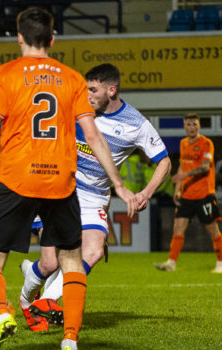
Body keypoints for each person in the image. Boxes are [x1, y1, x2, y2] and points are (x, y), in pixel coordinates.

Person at [0, 9, 136, 350]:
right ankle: (70, 345)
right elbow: (92, 134)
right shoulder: (72, 78)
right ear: (53, 39)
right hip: (61, 181)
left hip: (17, 178)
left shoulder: (5, 74)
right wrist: (118, 184)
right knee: (72, 262)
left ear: (19, 37)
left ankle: (2, 314)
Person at [22, 63, 171, 332]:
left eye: (93, 89)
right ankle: (26, 298)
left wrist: (145, 193)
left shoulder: (136, 124)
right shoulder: (77, 107)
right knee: (51, 263)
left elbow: (164, 162)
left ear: (111, 90)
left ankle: (44, 301)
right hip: (59, 188)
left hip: (94, 197)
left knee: (92, 251)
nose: (87, 94)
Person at [154, 113, 222, 273]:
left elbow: (205, 167)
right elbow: (182, 166)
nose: (192, 127)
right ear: (184, 126)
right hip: (187, 195)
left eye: (194, 124)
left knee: (212, 229)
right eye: (189, 124)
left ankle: (220, 263)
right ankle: (171, 263)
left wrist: (183, 176)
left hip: (205, 193)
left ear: (199, 126)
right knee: (178, 226)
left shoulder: (206, 143)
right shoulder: (183, 143)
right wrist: (178, 190)